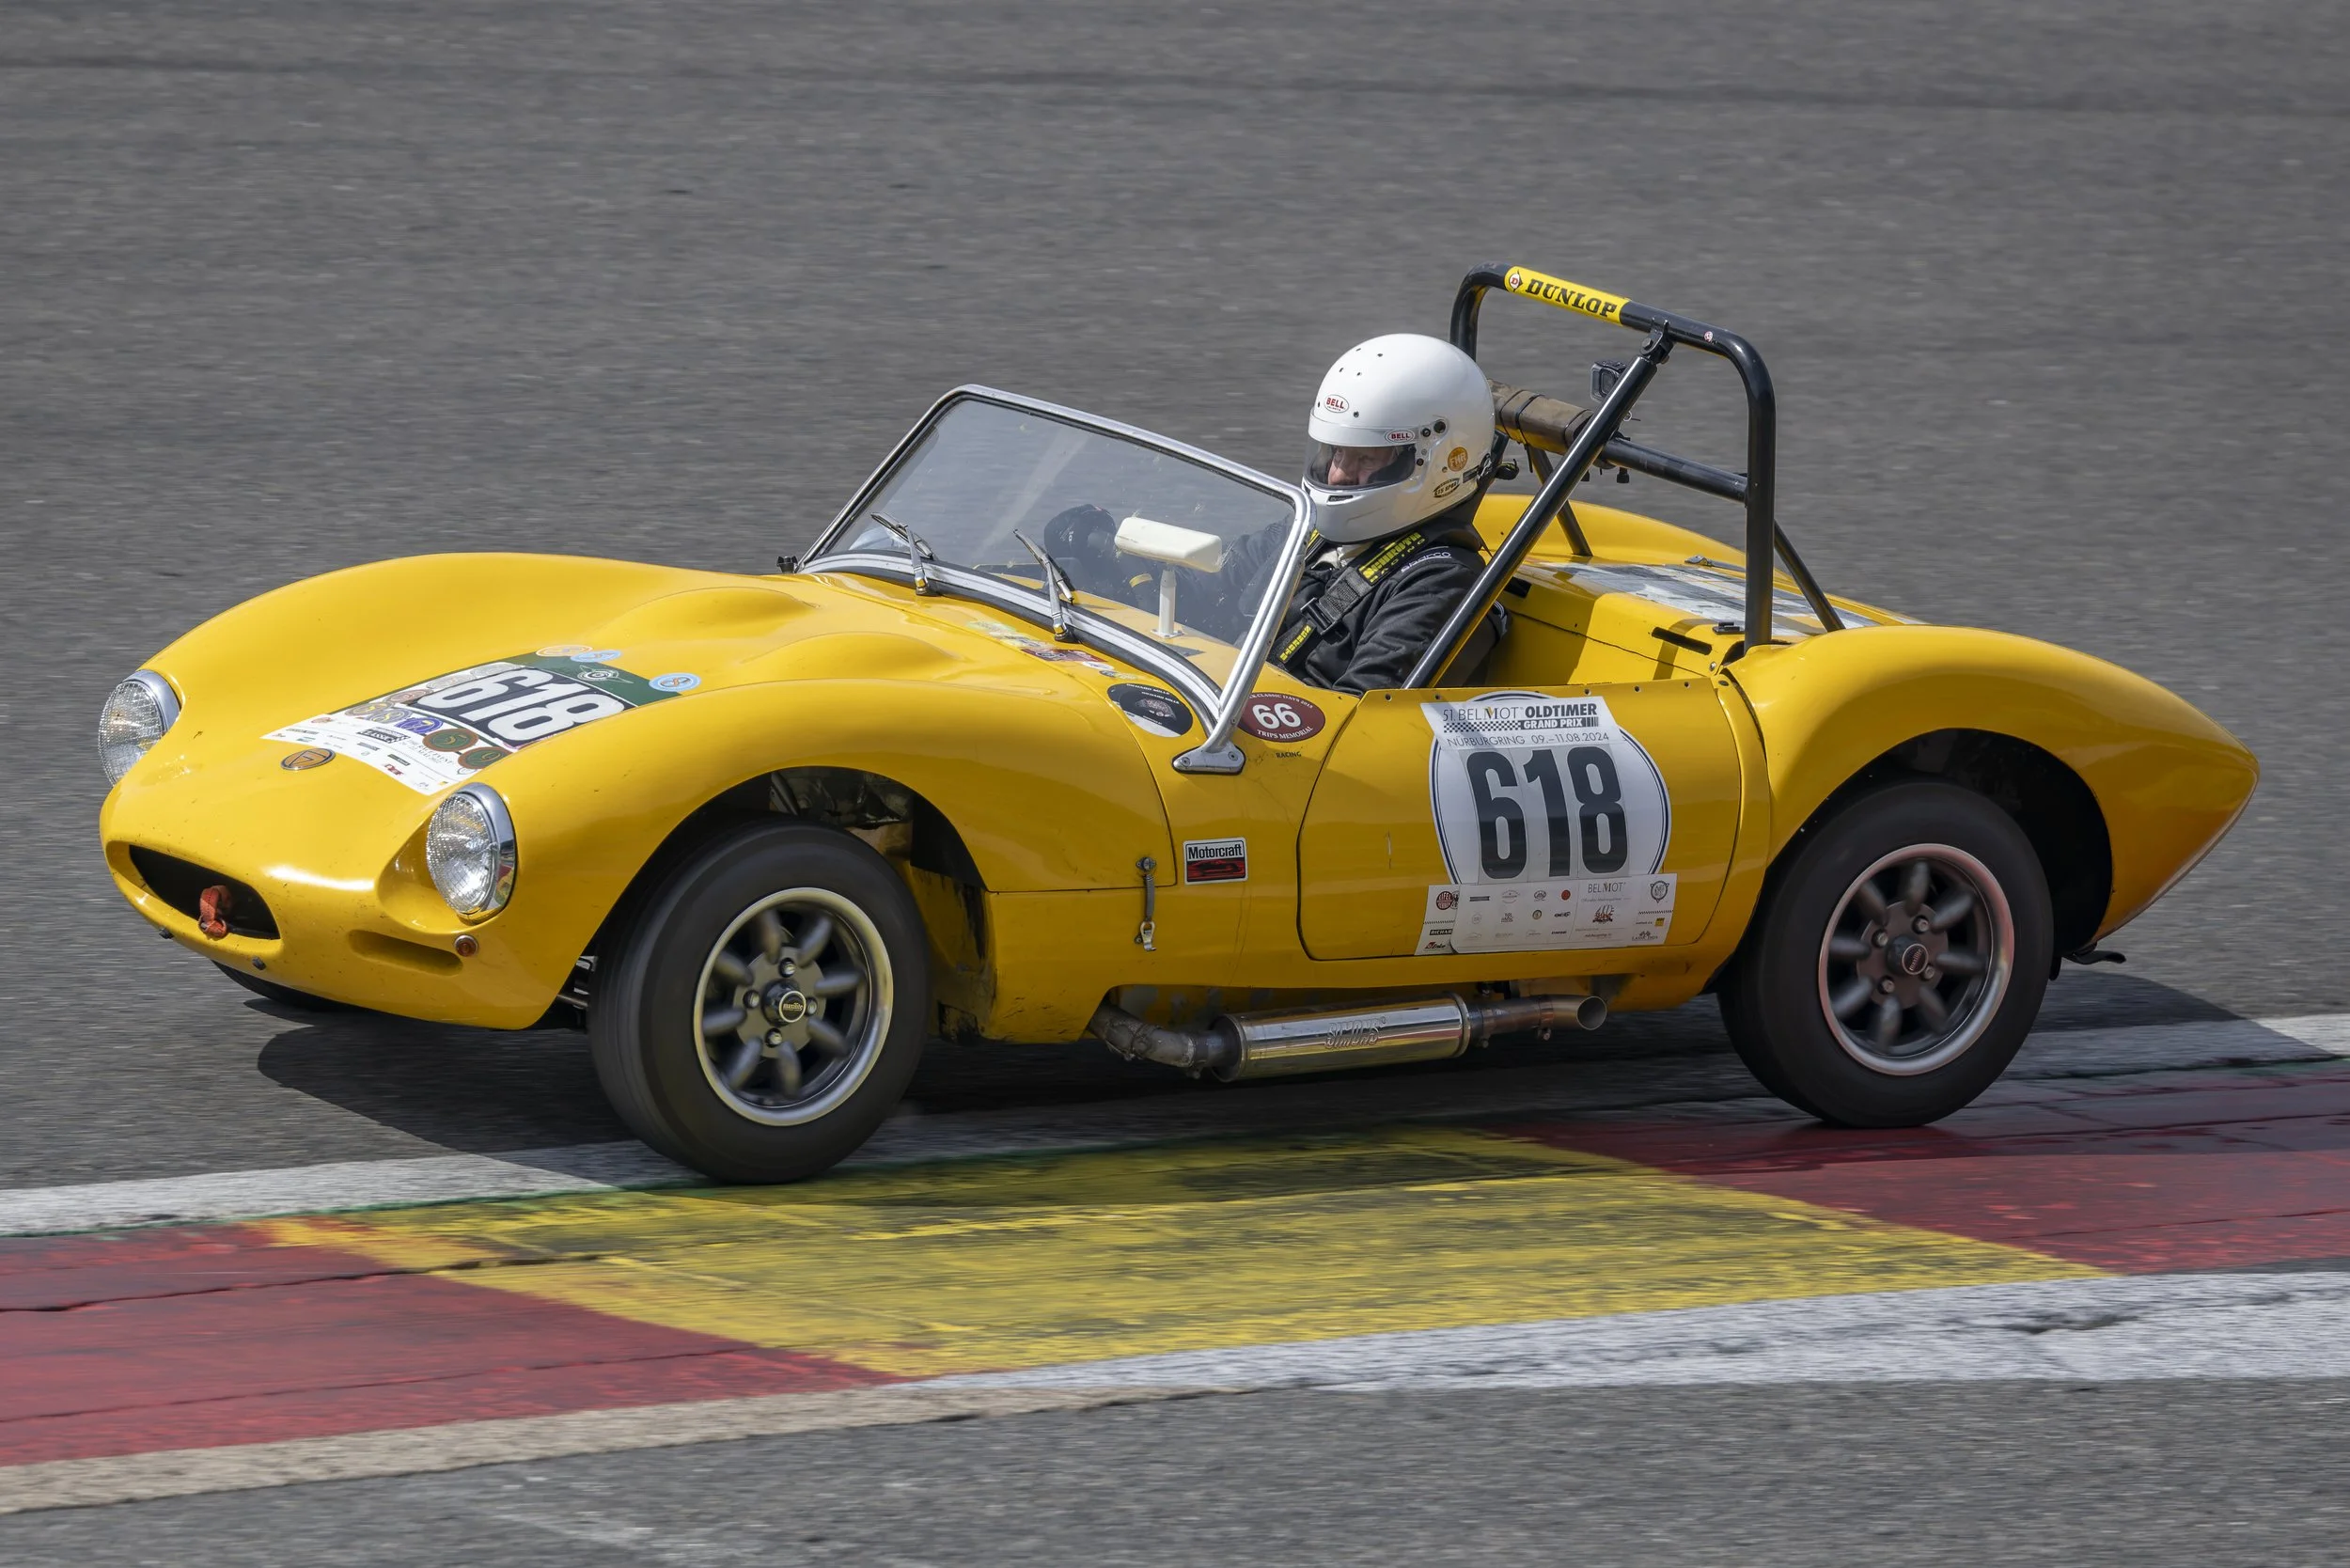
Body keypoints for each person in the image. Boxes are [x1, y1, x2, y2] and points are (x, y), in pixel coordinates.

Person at [1046, 333, 1504, 694]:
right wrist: (1110, 560)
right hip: (1227, 702)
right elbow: (1208, 593)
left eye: (1365, 458)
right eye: (1336, 452)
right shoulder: (1308, 532)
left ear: (1438, 462)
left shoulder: (1440, 584)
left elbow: (1359, 725)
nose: (1339, 474)